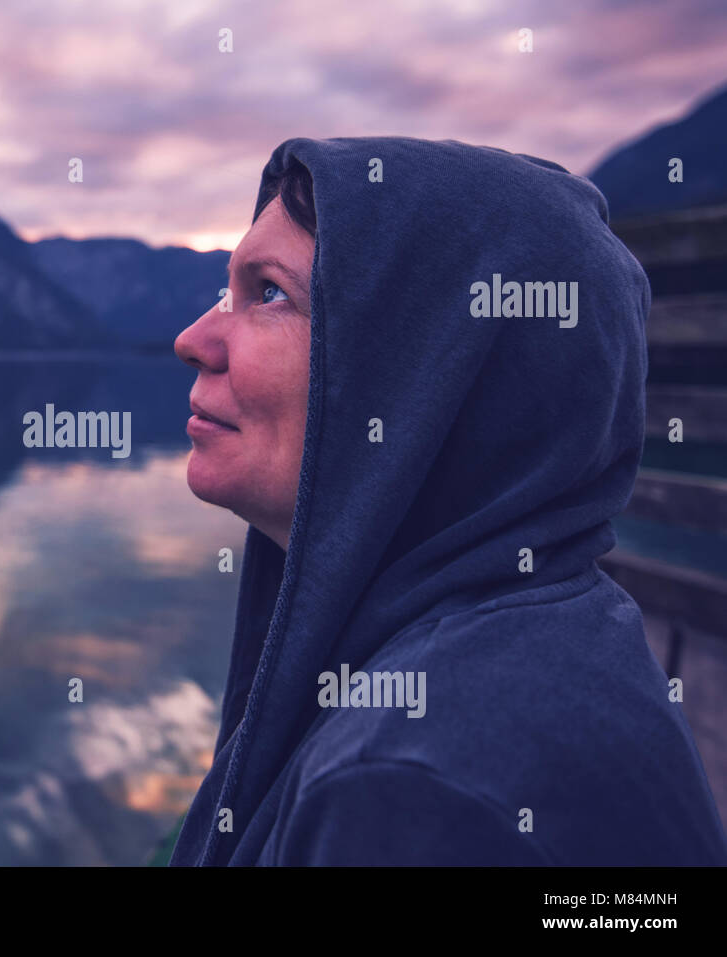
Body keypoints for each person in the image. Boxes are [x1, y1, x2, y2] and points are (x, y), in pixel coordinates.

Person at [169, 135, 727, 865]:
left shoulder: (408, 794)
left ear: (428, 373)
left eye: (269, 292)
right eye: (228, 292)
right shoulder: (553, 618)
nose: (191, 338)